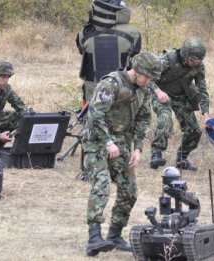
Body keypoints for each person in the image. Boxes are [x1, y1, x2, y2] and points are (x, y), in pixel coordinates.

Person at [81, 52, 162, 256]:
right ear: (138, 71)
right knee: (102, 184)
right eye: (148, 77)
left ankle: (115, 234)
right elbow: (95, 115)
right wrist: (108, 142)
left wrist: (138, 148)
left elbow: (144, 118)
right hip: (97, 141)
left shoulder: (143, 88)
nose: (150, 81)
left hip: (122, 143)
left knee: (130, 190)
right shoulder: (111, 83)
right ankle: (94, 238)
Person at [149, 36, 211, 171]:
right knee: (165, 120)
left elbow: (202, 88)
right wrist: (158, 92)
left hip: (181, 96)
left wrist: (205, 114)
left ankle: (182, 158)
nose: (195, 63)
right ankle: (156, 153)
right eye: (193, 60)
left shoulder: (198, 67)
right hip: (160, 93)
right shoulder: (167, 59)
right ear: (185, 55)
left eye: (198, 61)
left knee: (194, 130)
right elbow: (147, 77)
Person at [76, 0, 142, 102]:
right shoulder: (134, 34)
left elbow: (81, 49)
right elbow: (135, 53)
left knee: (90, 117)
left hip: (93, 95)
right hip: (122, 93)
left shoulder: (85, 33)